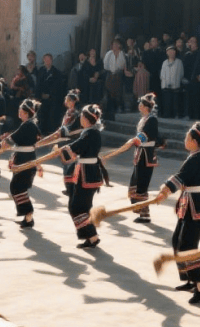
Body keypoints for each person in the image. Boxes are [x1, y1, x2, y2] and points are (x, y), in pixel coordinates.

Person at [154, 121, 200, 304]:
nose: (185, 140)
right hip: (190, 205)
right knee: (177, 240)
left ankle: (199, 286)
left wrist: (164, 191)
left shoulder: (196, 158)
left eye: (187, 138)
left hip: (197, 206)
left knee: (188, 246)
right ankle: (189, 279)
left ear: (195, 141)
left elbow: (180, 177)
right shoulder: (198, 157)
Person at [57, 104, 106, 249]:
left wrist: (65, 149)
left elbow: (78, 146)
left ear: (86, 118)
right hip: (85, 172)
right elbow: (78, 145)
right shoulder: (88, 132)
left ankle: (92, 236)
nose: (80, 119)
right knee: (80, 206)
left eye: (82, 117)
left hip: (88, 174)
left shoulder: (91, 133)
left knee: (78, 207)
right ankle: (90, 237)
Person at [110, 93, 160, 224]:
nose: (139, 106)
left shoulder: (152, 120)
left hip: (146, 155)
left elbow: (147, 135)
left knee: (142, 185)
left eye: (141, 104)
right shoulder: (144, 119)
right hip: (140, 154)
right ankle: (141, 210)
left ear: (145, 107)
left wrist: (134, 141)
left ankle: (145, 215)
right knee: (135, 183)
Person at [6, 99, 43, 228]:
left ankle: (28, 215)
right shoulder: (30, 124)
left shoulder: (28, 125)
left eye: (21, 111)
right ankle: (27, 217)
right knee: (17, 187)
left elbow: (13, 138)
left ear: (27, 113)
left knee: (17, 187)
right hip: (25, 159)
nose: (19, 114)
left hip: (25, 160)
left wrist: (3, 143)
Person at [160, 46, 184, 119]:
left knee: (175, 102)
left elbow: (181, 74)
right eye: (170, 51)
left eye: (173, 51)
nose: (172, 53)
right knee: (167, 101)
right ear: (167, 53)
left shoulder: (179, 62)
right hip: (166, 86)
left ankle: (176, 114)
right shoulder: (164, 62)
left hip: (175, 86)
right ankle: (167, 114)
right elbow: (162, 75)